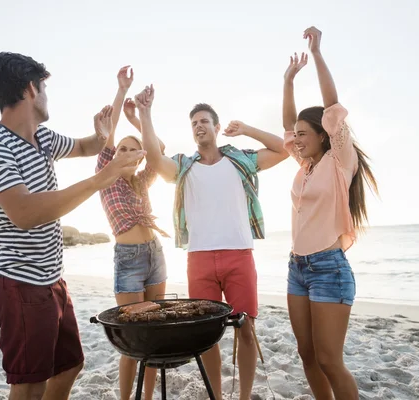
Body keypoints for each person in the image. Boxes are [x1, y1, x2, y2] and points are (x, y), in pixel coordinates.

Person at [0, 52, 144, 400]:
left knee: (69, 365)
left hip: (52, 280)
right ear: (31, 89)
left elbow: (89, 144)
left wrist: (110, 114)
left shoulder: (44, 139)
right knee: (29, 385)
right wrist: (103, 177)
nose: (48, 95)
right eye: (45, 87)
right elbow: (25, 213)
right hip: (20, 283)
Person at [133, 85, 289, 400]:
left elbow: (283, 149)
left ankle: (244, 397)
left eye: (204, 121)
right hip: (200, 260)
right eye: (194, 123)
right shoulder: (183, 168)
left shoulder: (240, 160)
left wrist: (246, 130)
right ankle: (216, 396)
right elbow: (153, 155)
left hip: (239, 256)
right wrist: (145, 114)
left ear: (216, 128)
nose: (199, 126)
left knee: (246, 330)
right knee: (207, 336)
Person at [282, 27, 378, 400]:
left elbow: (332, 104)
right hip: (297, 268)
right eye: (297, 135)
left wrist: (317, 54)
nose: (296, 138)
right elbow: (288, 122)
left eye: (304, 134)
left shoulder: (339, 162)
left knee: (329, 360)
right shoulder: (303, 166)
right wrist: (288, 81)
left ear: (324, 135)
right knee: (307, 355)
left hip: (329, 269)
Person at [95, 66, 169, 400]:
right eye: (120, 149)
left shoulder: (142, 180)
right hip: (128, 261)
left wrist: (138, 119)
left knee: (152, 336)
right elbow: (107, 139)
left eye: (131, 150)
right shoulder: (105, 176)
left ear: (138, 158)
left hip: (155, 255)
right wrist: (122, 90)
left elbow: (159, 148)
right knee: (131, 337)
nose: (124, 153)